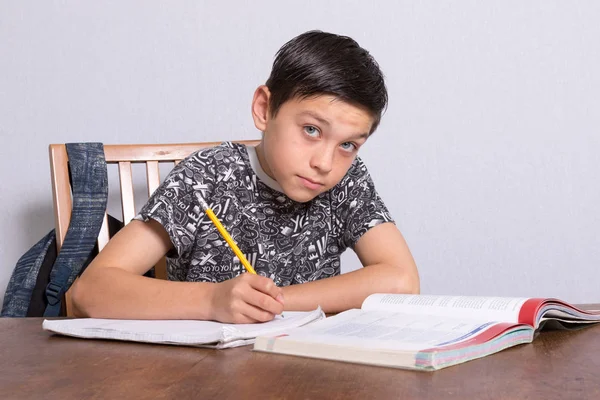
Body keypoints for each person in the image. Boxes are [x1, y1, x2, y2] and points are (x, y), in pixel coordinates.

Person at [71, 30, 420, 323]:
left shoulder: (347, 181)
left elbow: (402, 280)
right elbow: (90, 291)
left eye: (348, 144)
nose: (326, 163)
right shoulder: (206, 176)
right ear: (264, 109)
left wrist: (275, 300)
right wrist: (212, 301)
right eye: (311, 130)